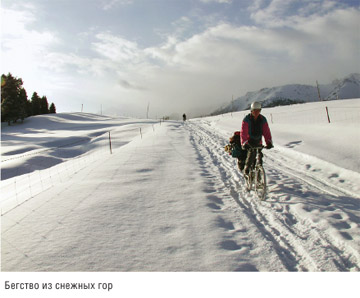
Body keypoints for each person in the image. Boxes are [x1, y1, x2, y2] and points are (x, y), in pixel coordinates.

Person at [239, 101, 273, 174]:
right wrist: (244, 143)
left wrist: (269, 142)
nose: (257, 112)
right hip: (249, 142)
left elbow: (266, 132)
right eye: (255, 110)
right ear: (252, 110)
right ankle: (246, 170)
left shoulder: (262, 119)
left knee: (259, 158)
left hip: (258, 142)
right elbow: (243, 132)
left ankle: (259, 176)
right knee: (251, 155)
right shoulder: (247, 119)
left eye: (258, 110)